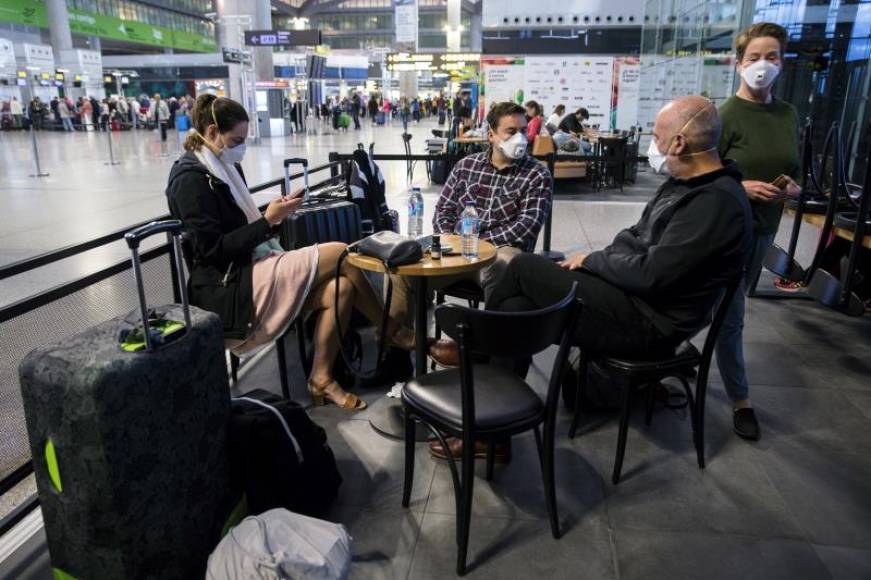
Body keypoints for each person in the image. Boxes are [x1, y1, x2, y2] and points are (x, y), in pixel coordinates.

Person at [429, 96, 752, 462]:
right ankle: (494, 426)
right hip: (628, 297)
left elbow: (652, 275)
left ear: (679, 143)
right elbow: (633, 238)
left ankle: (481, 364)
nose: (654, 147)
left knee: (521, 268)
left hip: (649, 323)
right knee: (518, 305)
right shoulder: (685, 183)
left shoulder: (715, 202)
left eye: (659, 138)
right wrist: (596, 263)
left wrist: (594, 261)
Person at [166, 95, 430, 411]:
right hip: (229, 287)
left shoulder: (223, 167)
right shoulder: (191, 180)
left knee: (340, 288)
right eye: (236, 140)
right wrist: (268, 221)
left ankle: (320, 377)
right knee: (339, 252)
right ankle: (390, 331)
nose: (242, 147)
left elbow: (241, 230)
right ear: (211, 132)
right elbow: (212, 252)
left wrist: (272, 219)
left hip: (252, 267)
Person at [389, 102, 553, 332]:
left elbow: (525, 227)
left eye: (524, 131)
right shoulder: (466, 166)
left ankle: (488, 348)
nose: (521, 138)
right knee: (403, 270)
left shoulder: (537, 175)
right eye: (511, 132)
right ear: (491, 136)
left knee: (502, 267)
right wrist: (451, 240)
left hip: (500, 252)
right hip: (455, 248)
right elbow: (443, 211)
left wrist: (477, 246)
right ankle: (399, 343)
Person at [713, 22, 801, 441]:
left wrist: (794, 186)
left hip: (765, 227)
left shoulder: (787, 115)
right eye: (754, 58)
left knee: (724, 307)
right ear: (738, 64)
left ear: (782, 63)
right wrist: (738, 184)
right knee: (731, 316)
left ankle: (679, 352)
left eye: (772, 57)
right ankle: (740, 399)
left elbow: (792, 163)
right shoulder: (724, 116)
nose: (763, 65)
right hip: (726, 230)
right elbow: (703, 177)